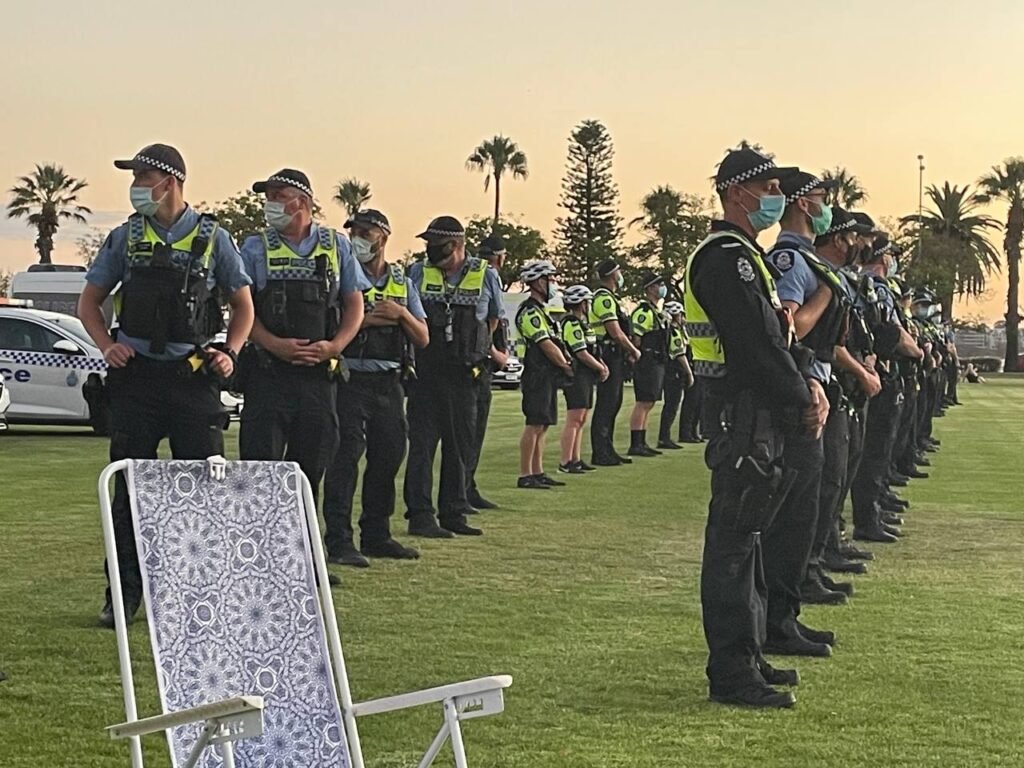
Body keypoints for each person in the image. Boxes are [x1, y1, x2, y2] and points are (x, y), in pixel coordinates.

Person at [78, 144, 254, 628]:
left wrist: (230, 352)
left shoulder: (215, 238)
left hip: (191, 381)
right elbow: (89, 303)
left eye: (143, 176)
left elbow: (243, 307)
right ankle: (122, 596)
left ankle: (195, 597)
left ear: (170, 181)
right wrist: (105, 346)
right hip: (136, 381)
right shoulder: (124, 237)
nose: (136, 185)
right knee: (127, 492)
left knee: (201, 492)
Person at [686, 147, 824, 709]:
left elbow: (774, 336)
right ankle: (732, 671)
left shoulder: (747, 257)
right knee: (733, 545)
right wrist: (803, 396)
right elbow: (755, 348)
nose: (775, 198)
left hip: (754, 416)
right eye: (766, 186)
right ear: (735, 193)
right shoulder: (727, 257)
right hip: (740, 415)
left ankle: (750, 653)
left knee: (750, 542)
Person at [236, 170, 366, 586]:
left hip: (317, 380)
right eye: (269, 195)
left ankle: (306, 563)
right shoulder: (254, 248)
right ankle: (258, 565)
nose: (271, 202)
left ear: (303, 202)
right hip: (268, 376)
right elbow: (241, 309)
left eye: (279, 195)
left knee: (309, 473)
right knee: (260, 472)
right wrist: (272, 344)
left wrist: (335, 346)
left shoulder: (335, 247)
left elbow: (354, 304)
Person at [763, 174, 853, 652]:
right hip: (800, 390)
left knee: (809, 508)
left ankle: (787, 615)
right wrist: (824, 296)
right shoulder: (791, 259)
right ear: (802, 204)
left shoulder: (811, 259)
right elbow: (790, 327)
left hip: (817, 385)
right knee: (793, 514)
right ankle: (778, 621)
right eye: (820, 201)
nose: (825, 210)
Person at [321, 209, 427, 568]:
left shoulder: (402, 280)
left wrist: (398, 314)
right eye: (354, 231)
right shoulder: (341, 275)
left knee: (388, 456)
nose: (358, 238)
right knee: (344, 459)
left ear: (384, 235)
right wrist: (369, 319)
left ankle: (377, 534)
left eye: (366, 231)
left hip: (390, 381)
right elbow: (338, 323)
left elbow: (423, 336)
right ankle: (338, 539)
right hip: (350, 378)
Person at [402, 217, 504, 537]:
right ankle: (420, 516)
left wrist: (475, 348)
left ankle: (454, 512)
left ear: (457, 244)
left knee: (459, 446)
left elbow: (493, 320)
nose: (432, 250)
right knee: (421, 446)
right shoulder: (417, 272)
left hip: (464, 374)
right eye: (428, 244)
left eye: (439, 244)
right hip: (426, 372)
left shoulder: (485, 275)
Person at [850, 236, 924, 543]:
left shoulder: (869, 286)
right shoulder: (874, 287)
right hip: (876, 375)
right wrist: (917, 351)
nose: (894, 260)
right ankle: (868, 517)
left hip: (880, 373)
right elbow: (894, 332)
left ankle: (874, 509)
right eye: (892, 254)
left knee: (878, 449)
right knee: (874, 450)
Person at [515, 260, 573, 488]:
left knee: (543, 424)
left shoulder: (542, 311)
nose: (553, 284)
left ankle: (537, 471)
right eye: (550, 279)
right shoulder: (530, 311)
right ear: (538, 282)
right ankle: (525, 474)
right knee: (534, 424)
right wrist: (565, 365)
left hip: (546, 375)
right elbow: (546, 344)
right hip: (536, 374)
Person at [465, 234, 510, 510]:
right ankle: (465, 488)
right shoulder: (489, 274)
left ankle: (466, 488)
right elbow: (493, 318)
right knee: (472, 430)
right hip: (479, 361)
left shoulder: (466, 271)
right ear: (500, 256)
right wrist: (492, 350)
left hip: (466, 358)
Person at [589, 260, 642, 465]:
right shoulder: (604, 298)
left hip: (615, 354)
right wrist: (633, 350)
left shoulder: (611, 298)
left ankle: (607, 449)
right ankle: (600, 451)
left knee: (614, 402)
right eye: (619, 272)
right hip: (608, 353)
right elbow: (615, 332)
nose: (621, 276)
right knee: (607, 403)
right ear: (612, 275)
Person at [559, 285, 608, 472]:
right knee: (574, 418)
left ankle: (576, 458)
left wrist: (601, 364)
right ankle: (565, 461)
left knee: (581, 418)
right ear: (580, 303)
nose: (588, 305)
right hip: (577, 375)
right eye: (586, 301)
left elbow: (593, 350)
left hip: (586, 376)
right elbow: (581, 352)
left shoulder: (583, 324)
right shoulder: (571, 323)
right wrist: (600, 367)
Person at [627, 270, 670, 457]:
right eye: (658, 284)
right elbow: (636, 336)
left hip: (656, 360)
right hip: (647, 360)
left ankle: (642, 441)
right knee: (643, 401)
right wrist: (639, 354)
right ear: (650, 288)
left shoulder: (655, 312)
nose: (662, 288)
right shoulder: (644, 311)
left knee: (650, 401)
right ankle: (636, 443)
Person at [658, 301, 693, 450]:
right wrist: (689, 373)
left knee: (672, 405)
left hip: (672, 371)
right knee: (671, 405)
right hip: (674, 372)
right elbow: (680, 354)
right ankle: (664, 438)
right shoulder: (673, 332)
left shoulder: (675, 331)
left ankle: (665, 437)